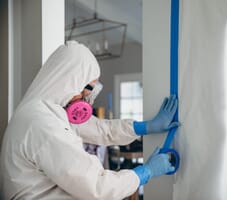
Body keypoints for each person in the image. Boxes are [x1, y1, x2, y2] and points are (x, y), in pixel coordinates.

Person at [0, 41, 179, 200]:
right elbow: (97, 186)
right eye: (86, 92)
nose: (85, 101)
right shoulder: (42, 123)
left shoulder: (46, 110)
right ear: (70, 81)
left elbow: (100, 129)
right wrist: (144, 172)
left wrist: (144, 127)